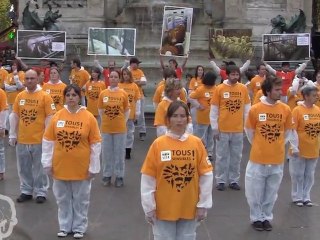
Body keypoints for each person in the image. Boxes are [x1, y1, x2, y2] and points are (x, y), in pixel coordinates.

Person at [141, 101, 213, 240]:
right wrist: (149, 206)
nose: (179, 120)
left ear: (188, 118)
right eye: (175, 116)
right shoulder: (158, 144)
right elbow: (148, 178)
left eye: (182, 116)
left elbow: (206, 175)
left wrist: (203, 204)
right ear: (168, 119)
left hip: (189, 207)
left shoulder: (196, 143)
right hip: (163, 209)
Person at [41, 84, 101, 239]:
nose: (71, 98)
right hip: (60, 167)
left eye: (74, 95)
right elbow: (48, 140)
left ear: (79, 97)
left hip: (81, 168)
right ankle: (64, 226)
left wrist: (94, 166)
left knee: (81, 199)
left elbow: (95, 143)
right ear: (64, 97)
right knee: (62, 199)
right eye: (68, 95)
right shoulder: (58, 116)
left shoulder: (88, 117)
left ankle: (79, 227)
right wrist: (47, 162)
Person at [244, 76, 294, 231]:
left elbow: (287, 133)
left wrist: (276, 144)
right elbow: (250, 132)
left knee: (272, 191)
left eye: (281, 89)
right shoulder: (255, 109)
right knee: (255, 191)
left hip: (277, 158)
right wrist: (261, 144)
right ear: (268, 91)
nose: (280, 92)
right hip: (258, 158)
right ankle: (256, 218)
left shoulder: (285, 109)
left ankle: (266, 217)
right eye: (277, 89)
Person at [9, 68, 56, 203]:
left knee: (39, 168)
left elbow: (50, 117)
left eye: (32, 78)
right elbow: (15, 115)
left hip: (39, 139)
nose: (29, 81)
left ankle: (41, 191)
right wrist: (12, 134)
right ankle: (26, 190)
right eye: (27, 78)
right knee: (23, 167)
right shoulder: (20, 96)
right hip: (23, 138)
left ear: (37, 79)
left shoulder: (45, 96)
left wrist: (48, 137)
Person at [210, 65, 251, 191]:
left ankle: (234, 180)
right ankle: (221, 180)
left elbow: (247, 109)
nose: (235, 77)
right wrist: (215, 128)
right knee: (222, 156)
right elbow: (214, 110)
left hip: (237, 129)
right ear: (227, 75)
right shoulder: (219, 89)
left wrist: (246, 126)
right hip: (223, 129)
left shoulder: (243, 89)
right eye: (232, 74)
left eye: (237, 75)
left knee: (236, 156)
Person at [288, 85, 320, 207]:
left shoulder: (317, 110)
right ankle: (297, 196)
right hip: (300, 148)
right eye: (313, 95)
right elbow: (292, 130)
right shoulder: (297, 110)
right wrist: (294, 147)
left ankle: (306, 196)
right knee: (298, 174)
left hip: (314, 147)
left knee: (309, 174)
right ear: (305, 96)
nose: (316, 97)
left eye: (316, 95)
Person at [98, 70, 129, 187]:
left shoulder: (123, 94)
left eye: (116, 77)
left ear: (119, 79)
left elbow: (127, 110)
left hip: (120, 129)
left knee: (119, 153)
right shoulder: (103, 93)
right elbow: (100, 110)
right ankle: (107, 175)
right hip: (106, 128)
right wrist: (107, 120)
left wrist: (122, 121)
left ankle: (119, 175)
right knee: (106, 153)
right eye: (111, 77)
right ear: (108, 79)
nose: (113, 79)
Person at [189, 71, 217, 161]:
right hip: (202, 117)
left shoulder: (216, 89)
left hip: (213, 118)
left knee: (210, 136)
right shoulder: (201, 89)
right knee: (200, 136)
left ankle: (209, 153)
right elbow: (190, 97)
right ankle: (197, 151)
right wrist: (198, 105)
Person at [118, 68, 141, 160]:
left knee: (129, 132)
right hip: (120, 113)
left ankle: (128, 150)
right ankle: (120, 149)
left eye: (127, 74)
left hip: (130, 113)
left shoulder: (134, 86)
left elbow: (137, 100)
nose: (125, 76)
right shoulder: (119, 85)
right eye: (124, 74)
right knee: (120, 132)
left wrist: (137, 112)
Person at [128, 57, 147, 141]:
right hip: (129, 96)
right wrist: (137, 82)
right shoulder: (127, 71)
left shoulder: (140, 71)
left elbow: (144, 82)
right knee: (128, 115)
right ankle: (127, 132)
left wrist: (134, 82)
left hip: (140, 95)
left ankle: (142, 132)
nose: (138, 65)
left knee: (141, 115)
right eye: (136, 63)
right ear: (132, 64)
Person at [4, 60, 25, 130]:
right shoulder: (9, 75)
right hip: (9, 99)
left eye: (15, 65)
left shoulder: (21, 74)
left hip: (17, 100)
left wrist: (16, 76)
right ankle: (10, 132)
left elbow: (20, 86)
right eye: (12, 65)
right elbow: (6, 87)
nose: (13, 66)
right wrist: (15, 88)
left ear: (18, 66)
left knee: (16, 118)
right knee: (9, 117)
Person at [0, 89, 8, 180]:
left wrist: (2, 127)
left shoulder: (1, 93)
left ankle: (1, 171)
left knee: (0, 150)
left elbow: (4, 110)